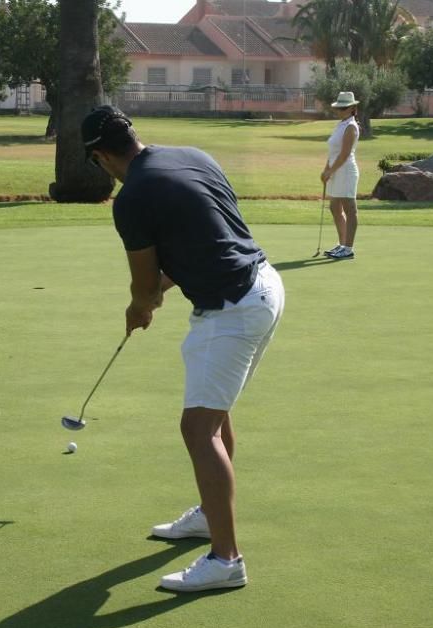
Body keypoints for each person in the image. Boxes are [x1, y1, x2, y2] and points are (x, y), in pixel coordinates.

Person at [81, 105, 285, 593]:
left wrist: (141, 305)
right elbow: (211, 241)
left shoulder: (131, 199)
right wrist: (153, 296)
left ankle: (226, 560)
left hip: (231, 306)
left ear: (102, 156)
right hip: (263, 285)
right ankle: (207, 517)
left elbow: (145, 281)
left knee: (197, 429)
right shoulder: (194, 156)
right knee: (214, 416)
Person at [321, 91, 361, 260]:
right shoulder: (341, 124)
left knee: (349, 208)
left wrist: (330, 171)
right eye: (339, 108)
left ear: (352, 108)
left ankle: (348, 248)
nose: (341, 110)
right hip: (336, 170)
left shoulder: (351, 126)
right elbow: (333, 152)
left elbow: (344, 154)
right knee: (334, 207)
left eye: (344, 108)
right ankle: (342, 244)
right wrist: (326, 169)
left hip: (346, 171)